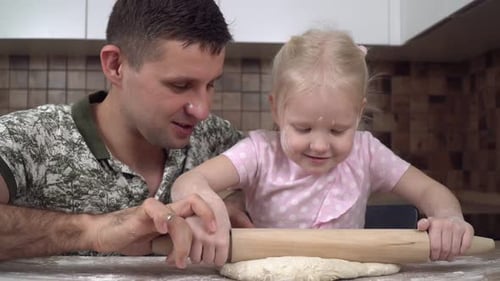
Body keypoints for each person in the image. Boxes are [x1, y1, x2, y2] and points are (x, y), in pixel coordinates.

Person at [171, 29, 475, 265]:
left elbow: (430, 191)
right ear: (276, 111)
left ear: (358, 114)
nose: (319, 145)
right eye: (302, 128)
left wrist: (449, 218)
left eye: (338, 130)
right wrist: (208, 208)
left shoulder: (366, 152)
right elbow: (189, 182)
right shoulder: (260, 152)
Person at [0, 0, 244, 268]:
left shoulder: (215, 138)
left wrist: (238, 201)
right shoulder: (31, 137)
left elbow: (285, 166)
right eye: (180, 85)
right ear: (116, 65)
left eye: (210, 85)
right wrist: (92, 231)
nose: (201, 110)